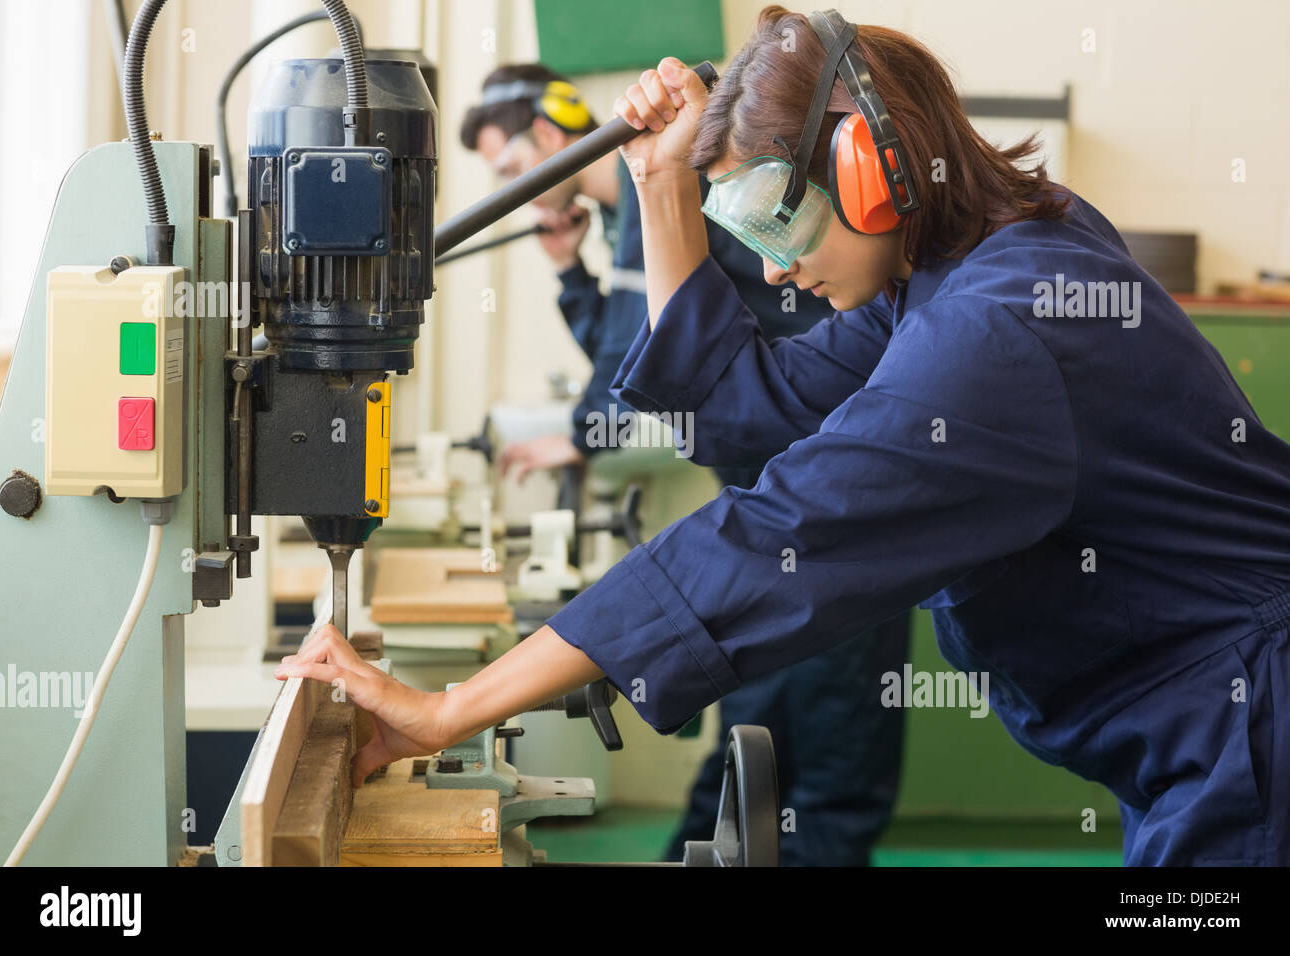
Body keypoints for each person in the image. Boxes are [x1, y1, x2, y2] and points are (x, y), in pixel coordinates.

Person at [278, 7, 1290, 866]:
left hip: (1251, 733)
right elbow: (733, 404)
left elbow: (766, 537)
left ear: (870, 163)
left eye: (777, 222)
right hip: (1198, 739)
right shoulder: (957, 277)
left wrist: (454, 706)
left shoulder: (1000, 330)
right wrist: (662, 185)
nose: (771, 271)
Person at [459, 63, 910, 865]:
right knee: (777, 695)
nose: (521, 191)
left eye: (510, 169)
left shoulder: (653, 196)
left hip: (817, 465)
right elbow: (633, 346)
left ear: (550, 138)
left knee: (829, 706)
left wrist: (588, 432)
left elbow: (649, 360)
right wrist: (570, 273)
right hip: (778, 463)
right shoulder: (633, 214)